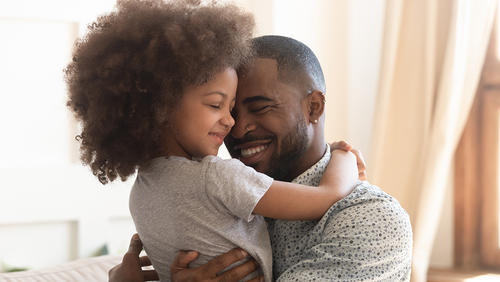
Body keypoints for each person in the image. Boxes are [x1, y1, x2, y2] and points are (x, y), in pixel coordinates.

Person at [66, 1, 363, 281]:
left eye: (230, 107)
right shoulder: (217, 177)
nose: (232, 121)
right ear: (161, 106)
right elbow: (330, 195)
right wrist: (344, 156)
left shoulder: (141, 193)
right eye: (216, 105)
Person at [109, 35, 413, 281]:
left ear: (314, 107)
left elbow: (328, 197)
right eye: (226, 109)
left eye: (261, 107)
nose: (236, 127)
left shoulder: (371, 218)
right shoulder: (205, 195)